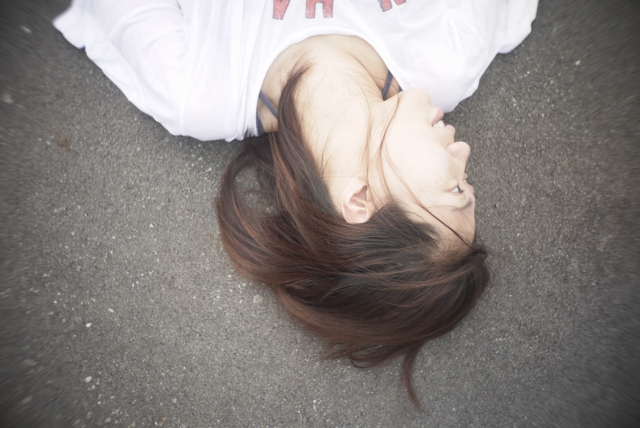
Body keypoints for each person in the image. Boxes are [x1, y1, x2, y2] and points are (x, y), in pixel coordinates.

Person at [54, 0, 538, 406]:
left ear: (361, 199)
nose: (463, 152)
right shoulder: (447, 58)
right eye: (467, 181)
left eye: (455, 189)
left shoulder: (197, 89)